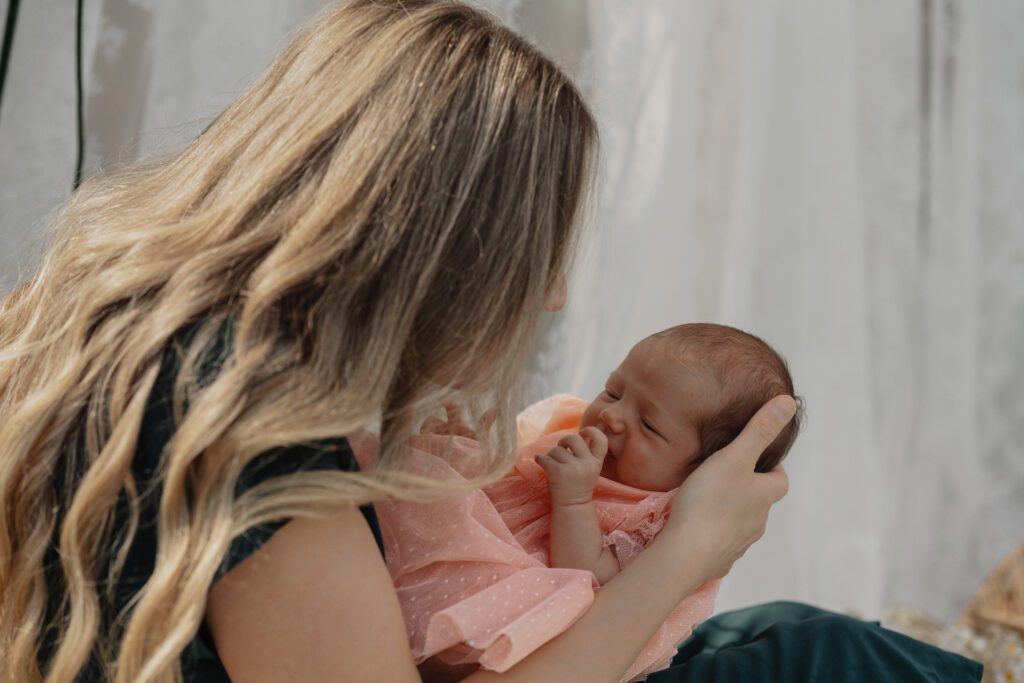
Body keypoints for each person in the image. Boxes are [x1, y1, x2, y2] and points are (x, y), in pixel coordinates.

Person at [0, 1, 980, 682]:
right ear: (436, 249)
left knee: (780, 644)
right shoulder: (253, 441)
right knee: (803, 655)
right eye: (532, 253)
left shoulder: (92, 331)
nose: (550, 296)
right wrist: (687, 549)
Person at [359, 323, 803, 681]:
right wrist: (470, 457)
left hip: (529, 634)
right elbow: (511, 486)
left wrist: (572, 501)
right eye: (613, 392)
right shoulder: (581, 439)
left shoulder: (655, 516)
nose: (611, 415)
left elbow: (590, 580)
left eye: (648, 424)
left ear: (703, 471)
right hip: (459, 574)